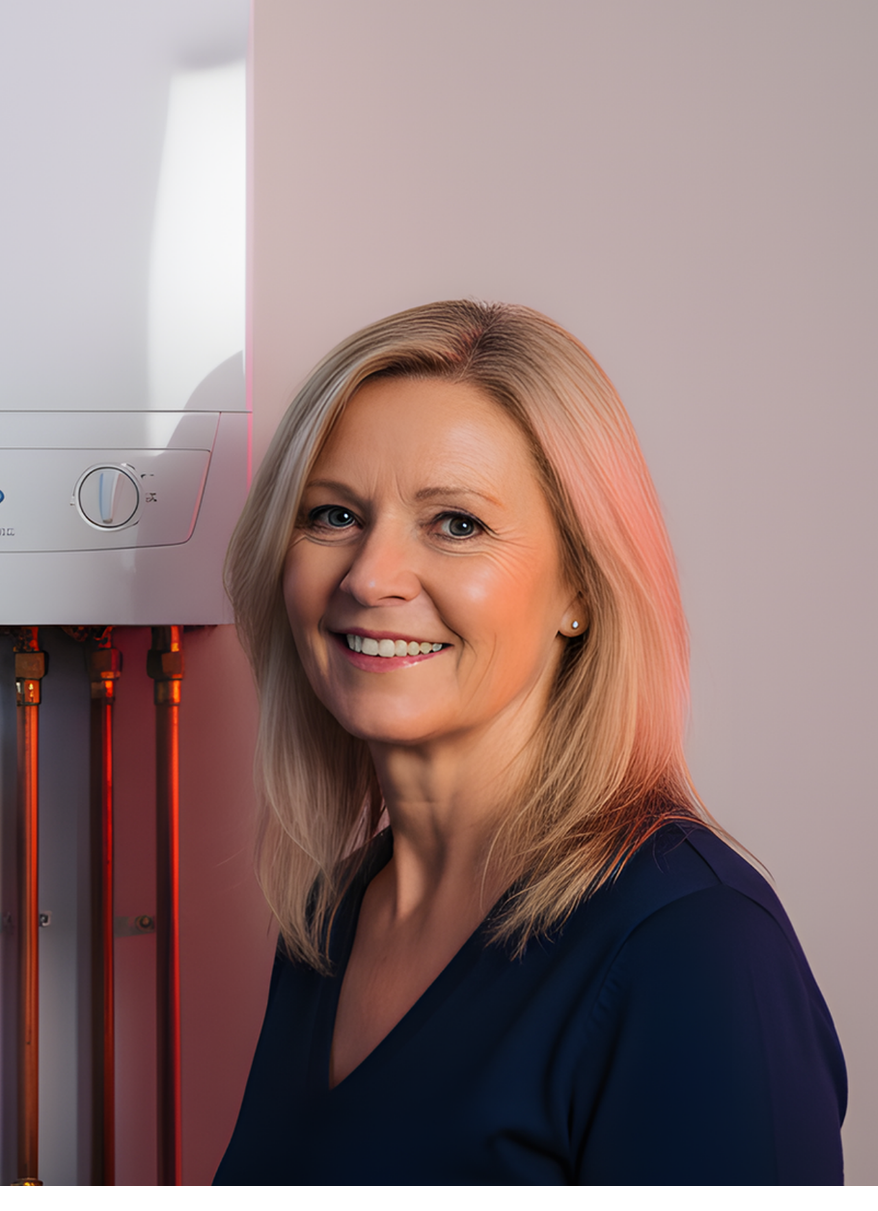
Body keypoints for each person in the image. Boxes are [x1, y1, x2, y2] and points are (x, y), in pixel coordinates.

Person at [213, 301, 845, 1184]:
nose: (370, 577)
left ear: (579, 588)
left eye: (456, 524)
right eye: (333, 516)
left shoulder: (694, 949)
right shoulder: (330, 918)